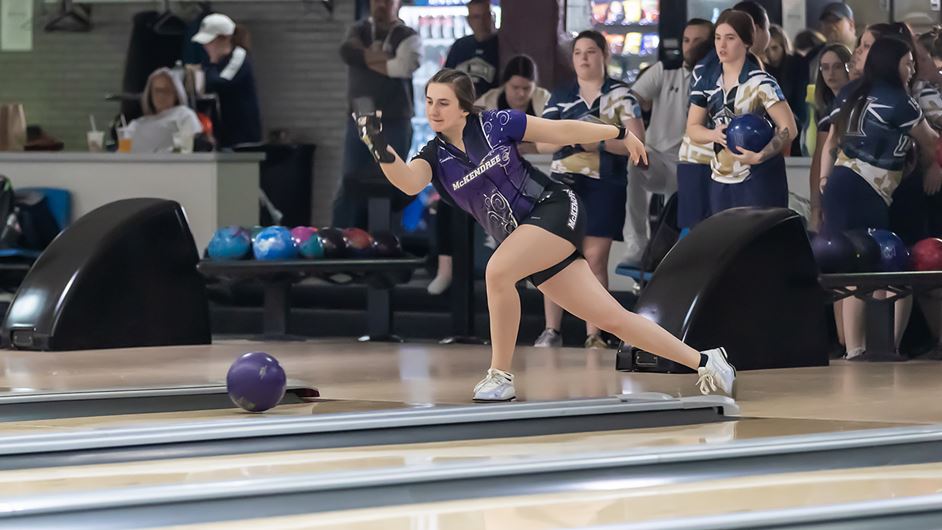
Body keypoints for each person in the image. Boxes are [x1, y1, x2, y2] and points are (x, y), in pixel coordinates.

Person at [356, 68, 735, 401]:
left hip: (554, 208)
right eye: (428, 102)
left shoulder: (495, 124)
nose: (433, 111)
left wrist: (620, 132)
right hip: (526, 239)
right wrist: (377, 144)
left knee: (497, 271)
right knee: (613, 319)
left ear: (463, 108)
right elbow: (408, 182)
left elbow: (562, 130)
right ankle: (706, 361)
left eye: (443, 103)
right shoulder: (434, 156)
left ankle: (500, 375)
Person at [820, 36, 939, 359]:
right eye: (907, 63)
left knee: (851, 268)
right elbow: (931, 142)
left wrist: (824, 180)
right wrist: (932, 166)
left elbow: (831, 142)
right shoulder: (900, 101)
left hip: (839, 183)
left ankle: (854, 349)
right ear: (892, 64)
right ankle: (880, 348)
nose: (911, 69)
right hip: (868, 190)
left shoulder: (850, 92)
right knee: (878, 264)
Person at [534, 30, 645, 349]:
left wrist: (597, 142)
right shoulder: (561, 95)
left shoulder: (622, 95)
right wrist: (571, 137)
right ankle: (552, 330)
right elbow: (542, 142)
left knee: (595, 258)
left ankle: (594, 333)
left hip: (605, 184)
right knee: (554, 255)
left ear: (605, 55)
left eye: (591, 51)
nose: (584, 58)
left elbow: (637, 143)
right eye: (578, 52)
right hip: (564, 183)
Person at [427, 55, 551, 295]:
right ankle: (445, 269)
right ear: (505, 85)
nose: (520, 94)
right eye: (515, 87)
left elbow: (551, 140)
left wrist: (521, 149)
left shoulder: (543, 100)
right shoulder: (488, 102)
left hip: (529, 174)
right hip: (487, 174)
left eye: (526, 88)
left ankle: (525, 273)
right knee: (445, 205)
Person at [620, 18, 713, 267]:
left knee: (678, 222)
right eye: (686, 40)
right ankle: (637, 244)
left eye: (698, 41)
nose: (690, 46)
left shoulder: (718, 77)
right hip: (658, 156)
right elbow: (628, 99)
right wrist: (635, 130)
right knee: (634, 164)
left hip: (695, 163)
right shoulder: (665, 69)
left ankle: (673, 257)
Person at [686, 10, 797, 215]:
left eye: (730, 38)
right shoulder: (706, 81)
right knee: (725, 234)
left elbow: (789, 128)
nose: (722, 45)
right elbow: (692, 128)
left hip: (759, 175)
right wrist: (712, 134)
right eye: (718, 38)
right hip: (720, 175)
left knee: (759, 234)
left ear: (747, 42)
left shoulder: (761, 82)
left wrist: (761, 155)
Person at [333, 0, 421, 229]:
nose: (380, 4)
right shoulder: (358, 30)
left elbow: (403, 66)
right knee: (350, 182)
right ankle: (344, 241)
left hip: (394, 120)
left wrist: (364, 58)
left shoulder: (408, 35)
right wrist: (385, 57)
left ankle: (387, 242)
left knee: (392, 183)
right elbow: (347, 53)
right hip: (359, 119)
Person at [190, 13, 261, 149]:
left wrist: (208, 68)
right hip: (222, 135)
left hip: (243, 138)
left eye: (210, 42)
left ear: (225, 39)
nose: (206, 47)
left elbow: (219, 83)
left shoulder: (239, 56)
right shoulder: (211, 63)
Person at [807, 43, 852, 231]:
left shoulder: (853, 103)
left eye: (837, 66)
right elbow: (819, 159)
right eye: (825, 68)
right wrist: (816, 207)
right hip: (832, 186)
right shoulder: (826, 110)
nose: (830, 73)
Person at [126, 68, 203, 153]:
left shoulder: (185, 115)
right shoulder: (135, 124)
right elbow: (122, 151)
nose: (161, 95)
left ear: (176, 94)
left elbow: (184, 149)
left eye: (166, 90)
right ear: (150, 94)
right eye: (157, 91)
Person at [444, 0, 499, 98]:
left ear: (493, 17)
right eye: (476, 17)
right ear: (469, 21)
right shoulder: (460, 46)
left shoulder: (502, 46)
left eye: (486, 16)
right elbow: (445, 79)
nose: (482, 22)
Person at [767, 24, 807, 156]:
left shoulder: (796, 64)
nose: (770, 54)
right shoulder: (763, 69)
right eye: (766, 49)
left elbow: (801, 102)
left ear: (783, 46)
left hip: (795, 123)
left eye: (774, 48)